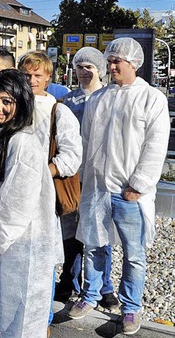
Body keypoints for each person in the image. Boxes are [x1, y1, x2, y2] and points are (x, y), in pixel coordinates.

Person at [69, 38, 170, 335]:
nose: (111, 66)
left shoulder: (151, 98)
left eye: (117, 62)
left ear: (133, 63)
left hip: (129, 192)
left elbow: (155, 145)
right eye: (109, 61)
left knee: (134, 253)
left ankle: (130, 308)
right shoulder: (98, 99)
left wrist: (138, 185)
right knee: (93, 245)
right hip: (97, 187)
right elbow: (85, 141)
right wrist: (84, 175)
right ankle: (89, 296)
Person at [0, 69, 60, 337]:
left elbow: (17, 203)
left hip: (18, 248)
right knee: (0, 319)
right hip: (0, 245)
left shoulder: (23, 143)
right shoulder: (3, 138)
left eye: (7, 101)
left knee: (18, 322)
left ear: (21, 102)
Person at [18, 50, 82, 327]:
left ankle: (41, 324)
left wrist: (45, 172)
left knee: (41, 271)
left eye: (37, 75)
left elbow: (72, 154)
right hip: (11, 197)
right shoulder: (10, 105)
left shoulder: (59, 111)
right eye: (26, 74)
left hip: (43, 199)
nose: (31, 80)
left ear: (47, 78)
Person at [57, 47, 118, 307]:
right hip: (73, 177)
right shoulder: (68, 102)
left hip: (100, 177)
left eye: (89, 67)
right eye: (79, 67)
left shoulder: (109, 99)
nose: (83, 72)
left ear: (100, 69)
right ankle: (68, 280)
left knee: (99, 233)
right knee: (70, 231)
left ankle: (104, 286)